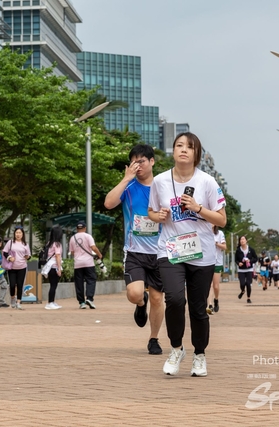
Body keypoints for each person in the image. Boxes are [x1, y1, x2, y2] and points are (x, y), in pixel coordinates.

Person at [148, 132, 227, 377]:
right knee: (174, 299)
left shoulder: (208, 182)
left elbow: (221, 220)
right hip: (170, 250)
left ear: (196, 154)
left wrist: (198, 208)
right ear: (173, 151)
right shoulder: (159, 181)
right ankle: (176, 348)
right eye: (179, 145)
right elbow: (151, 211)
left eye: (189, 147)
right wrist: (158, 216)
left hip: (202, 253)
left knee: (197, 308)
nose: (184, 149)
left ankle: (199, 355)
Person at [104, 143, 165, 355]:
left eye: (142, 161)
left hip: (160, 252)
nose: (138, 166)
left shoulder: (163, 187)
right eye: (133, 162)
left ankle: (154, 339)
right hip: (134, 251)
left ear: (152, 161)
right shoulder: (128, 187)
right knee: (134, 293)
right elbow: (108, 203)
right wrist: (125, 179)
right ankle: (140, 304)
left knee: (158, 298)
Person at [69, 221, 103, 309]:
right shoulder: (88, 236)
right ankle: (89, 298)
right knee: (91, 280)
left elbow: (72, 252)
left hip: (78, 264)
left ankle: (82, 302)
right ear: (85, 228)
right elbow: (93, 247)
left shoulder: (72, 238)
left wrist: (78, 255)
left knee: (79, 283)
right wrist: (99, 254)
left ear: (77, 229)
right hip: (88, 263)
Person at [4, 225, 31, 310]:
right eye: (16, 232)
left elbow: (29, 255)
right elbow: (4, 252)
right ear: (14, 234)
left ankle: (18, 302)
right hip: (12, 268)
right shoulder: (10, 242)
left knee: (20, 285)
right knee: (12, 285)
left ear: (22, 234)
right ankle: (12, 298)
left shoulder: (25, 244)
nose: (18, 234)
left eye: (20, 233)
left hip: (22, 267)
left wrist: (27, 257)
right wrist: (9, 257)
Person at [43, 225, 64, 310]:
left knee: (52, 285)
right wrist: (59, 268)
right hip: (54, 266)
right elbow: (57, 256)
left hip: (49, 267)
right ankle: (50, 302)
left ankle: (52, 301)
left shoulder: (49, 243)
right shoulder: (57, 244)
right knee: (53, 285)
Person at [206, 226, 226, 315]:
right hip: (206, 262)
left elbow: (224, 247)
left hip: (217, 262)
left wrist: (216, 243)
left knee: (216, 286)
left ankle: (216, 299)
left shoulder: (219, 233)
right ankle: (209, 305)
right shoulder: (204, 232)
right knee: (208, 285)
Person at [235, 236, 258, 304]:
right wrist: (239, 263)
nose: (242, 241)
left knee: (248, 283)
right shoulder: (238, 250)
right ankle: (242, 291)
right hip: (241, 270)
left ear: (246, 240)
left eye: (243, 239)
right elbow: (236, 260)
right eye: (241, 239)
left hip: (249, 269)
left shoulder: (251, 249)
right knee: (242, 284)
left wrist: (250, 261)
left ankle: (248, 298)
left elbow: (256, 258)